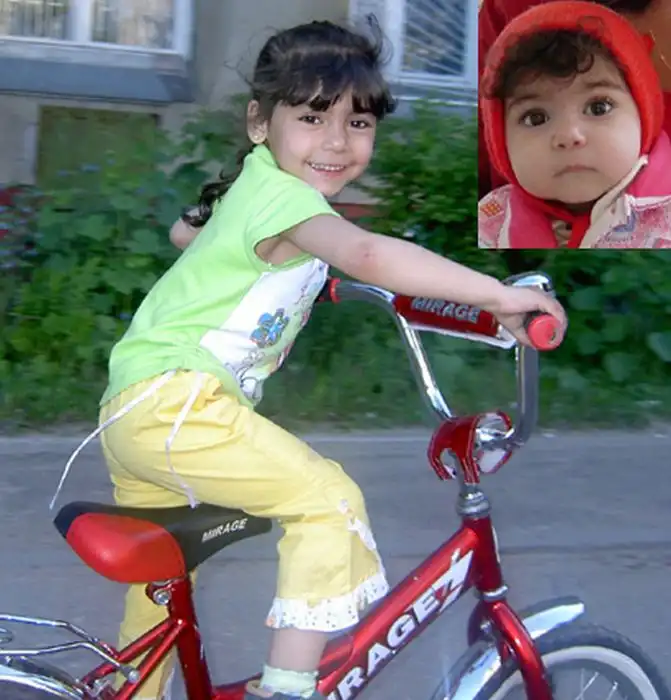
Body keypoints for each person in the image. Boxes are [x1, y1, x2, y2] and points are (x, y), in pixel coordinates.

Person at [66, 19, 565, 700]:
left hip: (137, 412)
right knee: (327, 502)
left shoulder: (257, 186)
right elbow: (368, 253)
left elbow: (189, 232)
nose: (335, 141)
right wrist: (499, 296)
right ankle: (289, 687)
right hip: (181, 406)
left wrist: (290, 271)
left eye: (358, 123)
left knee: (160, 585)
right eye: (311, 117)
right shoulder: (286, 199)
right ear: (260, 122)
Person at [478, 0, 671, 249]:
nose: (569, 136)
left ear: (645, 117)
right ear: (500, 141)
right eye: (535, 118)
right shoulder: (490, 224)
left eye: (599, 108)